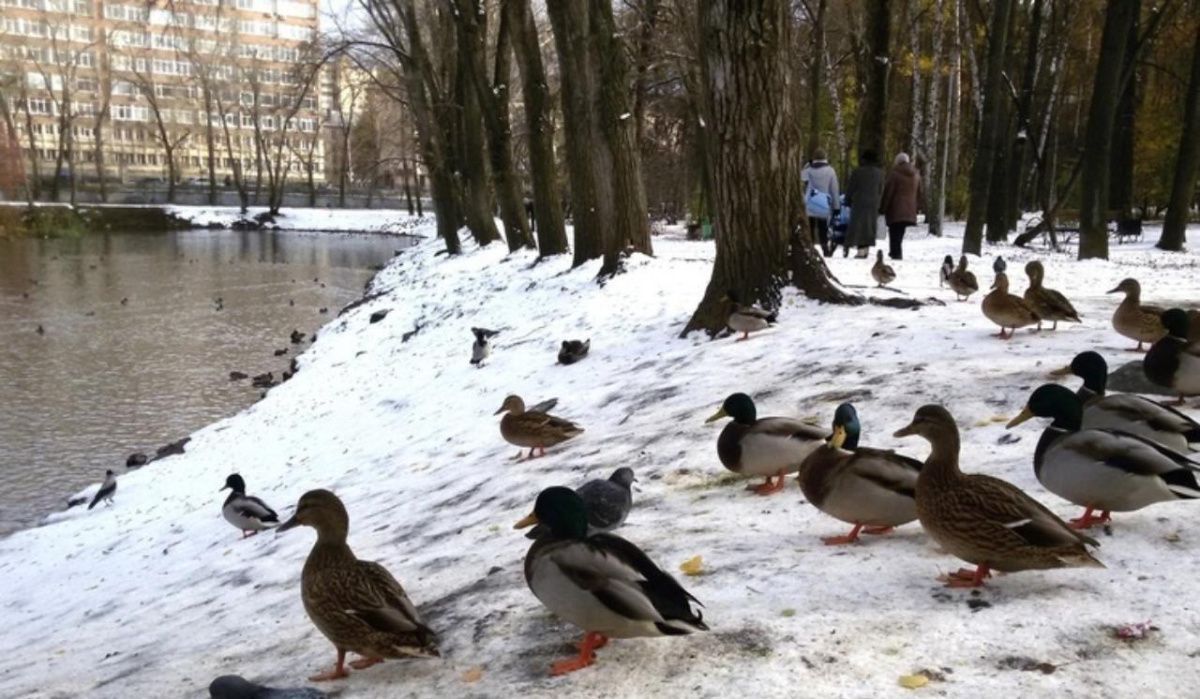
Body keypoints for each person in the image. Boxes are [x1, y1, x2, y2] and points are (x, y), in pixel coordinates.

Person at [880, 152, 922, 260]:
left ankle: (896, 253)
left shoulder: (894, 174)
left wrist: (883, 208)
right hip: (909, 209)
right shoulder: (916, 174)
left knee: (894, 231)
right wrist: (918, 207)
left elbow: (888, 192)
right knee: (900, 231)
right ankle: (895, 251)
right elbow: (919, 192)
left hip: (895, 208)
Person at [844, 149, 884, 258]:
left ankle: (861, 250)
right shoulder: (879, 173)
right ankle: (866, 248)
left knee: (859, 226)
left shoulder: (858, 172)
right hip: (873, 204)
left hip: (859, 203)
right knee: (869, 227)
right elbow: (881, 189)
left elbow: (851, 188)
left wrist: (847, 200)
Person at [801, 148, 840, 257]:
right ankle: (825, 249)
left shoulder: (809, 170)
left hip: (810, 202)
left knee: (810, 227)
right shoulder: (830, 171)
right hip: (824, 203)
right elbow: (834, 189)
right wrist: (836, 207)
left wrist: (807, 165)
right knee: (823, 227)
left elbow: (800, 176)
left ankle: (810, 248)